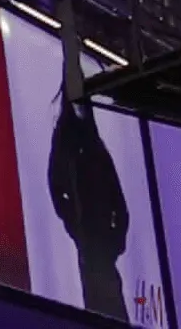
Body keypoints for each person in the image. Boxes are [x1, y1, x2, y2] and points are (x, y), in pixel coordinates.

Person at [48, 89, 129, 317]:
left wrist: (119, 233)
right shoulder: (65, 148)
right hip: (86, 233)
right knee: (96, 293)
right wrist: (72, 221)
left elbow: (117, 195)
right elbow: (55, 187)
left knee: (110, 292)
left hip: (103, 233)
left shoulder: (97, 149)